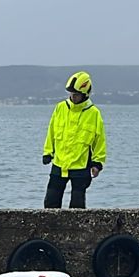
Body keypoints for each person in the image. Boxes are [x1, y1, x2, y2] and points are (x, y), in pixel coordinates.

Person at [41, 70, 106, 208]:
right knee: (50, 202)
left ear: (85, 94)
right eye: (71, 94)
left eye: (76, 95)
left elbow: (99, 140)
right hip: (59, 164)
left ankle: (77, 230)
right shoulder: (60, 108)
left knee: (77, 206)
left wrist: (97, 163)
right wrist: (47, 152)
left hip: (81, 166)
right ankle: (50, 229)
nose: (73, 97)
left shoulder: (93, 113)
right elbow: (51, 131)